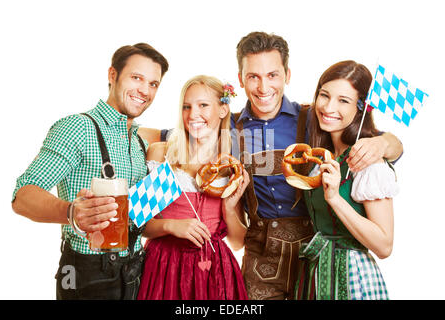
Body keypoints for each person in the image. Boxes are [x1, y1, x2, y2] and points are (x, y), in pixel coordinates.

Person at [230, 31, 403, 300]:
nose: (264, 88)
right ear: (241, 79)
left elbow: (380, 140)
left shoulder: (314, 117)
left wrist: (385, 144)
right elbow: (182, 136)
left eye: (273, 75)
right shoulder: (228, 127)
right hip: (260, 261)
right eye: (254, 76)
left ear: (287, 75)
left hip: (311, 257)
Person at [11, 43, 169, 299]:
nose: (145, 90)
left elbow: (136, 217)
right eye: (136, 78)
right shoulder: (78, 128)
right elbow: (23, 195)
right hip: (88, 274)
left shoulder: (139, 142)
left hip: (137, 271)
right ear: (112, 75)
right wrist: (71, 212)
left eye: (153, 84)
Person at [136, 75, 249, 300]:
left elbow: (237, 242)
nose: (192, 114)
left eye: (203, 105)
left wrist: (228, 206)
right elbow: (141, 226)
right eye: (186, 106)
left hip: (215, 271)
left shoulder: (228, 167)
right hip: (164, 266)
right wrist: (171, 226)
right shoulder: (163, 154)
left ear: (223, 110)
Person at [293, 60, 398, 300]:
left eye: (343, 100)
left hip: (353, 279)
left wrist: (335, 199)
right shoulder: (323, 153)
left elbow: (384, 246)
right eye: (324, 95)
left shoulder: (368, 161)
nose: (329, 107)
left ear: (361, 108)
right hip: (315, 272)